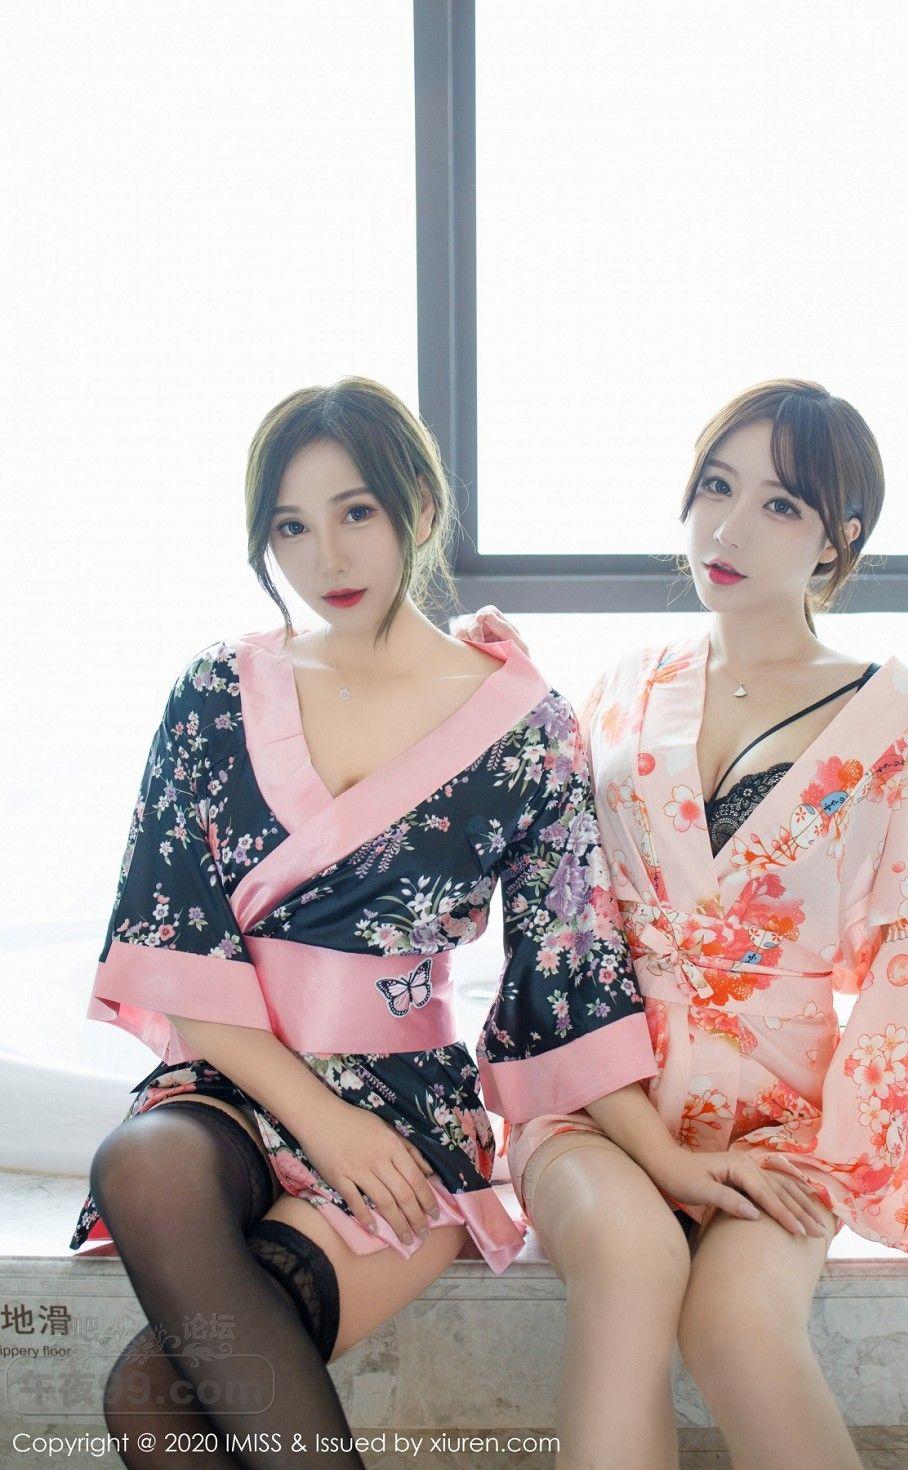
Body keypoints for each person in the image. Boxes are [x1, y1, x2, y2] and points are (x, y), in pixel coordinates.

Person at [69, 377, 661, 1469]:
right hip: (235, 1078)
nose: (327, 557)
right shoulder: (215, 690)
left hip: (402, 1111)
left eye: (356, 512)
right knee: (142, 1161)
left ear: (419, 509)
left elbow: (565, 964)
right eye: (290, 527)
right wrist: (317, 1120)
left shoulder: (527, 728)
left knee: (154, 1399)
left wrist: (666, 1153)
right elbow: (173, 940)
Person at [453, 378, 908, 1470]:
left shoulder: (894, 717)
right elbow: (564, 932)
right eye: (714, 488)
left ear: (840, 537)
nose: (727, 529)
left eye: (779, 505)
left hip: (782, 1120)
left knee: (738, 1325)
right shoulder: (621, 691)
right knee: (630, 1263)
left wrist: (859, 1148)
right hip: (601, 1099)